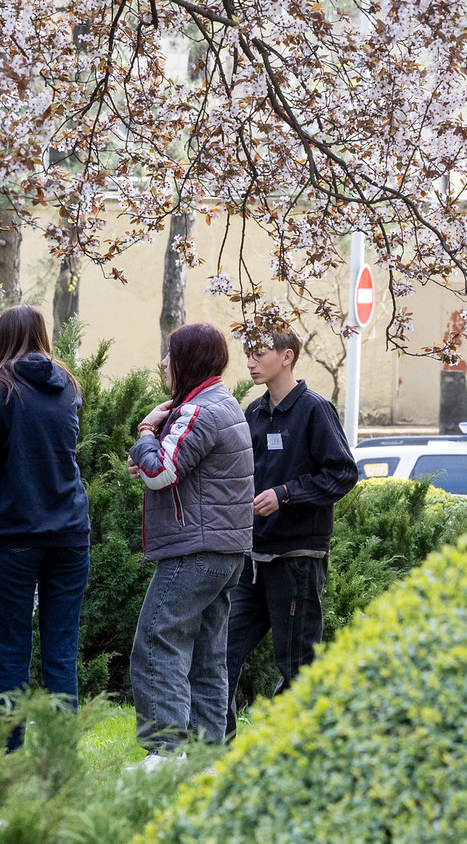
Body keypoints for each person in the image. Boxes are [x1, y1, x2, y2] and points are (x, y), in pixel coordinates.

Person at [125, 322, 253, 757]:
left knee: (155, 643)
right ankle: (205, 758)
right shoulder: (224, 404)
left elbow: (160, 472)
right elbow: (172, 467)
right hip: (225, 551)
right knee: (206, 656)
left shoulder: (197, 411)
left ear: (189, 360)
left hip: (194, 551)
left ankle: (164, 755)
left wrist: (146, 433)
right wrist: (149, 456)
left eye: (171, 354)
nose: (164, 362)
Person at [224, 329, 359, 736]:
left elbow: (343, 474)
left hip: (298, 560)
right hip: (252, 561)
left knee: (298, 666)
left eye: (259, 353)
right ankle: (213, 751)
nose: (250, 362)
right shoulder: (253, 413)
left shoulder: (315, 409)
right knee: (218, 653)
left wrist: (285, 494)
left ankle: (294, 750)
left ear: (287, 357)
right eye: (247, 353)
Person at [0, 306, 92, 723]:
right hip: (70, 531)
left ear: (0, 339)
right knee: (62, 651)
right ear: (41, 335)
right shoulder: (68, 387)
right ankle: (60, 754)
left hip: (15, 532)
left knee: (12, 651)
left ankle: (10, 753)